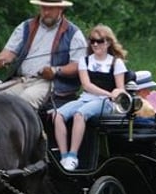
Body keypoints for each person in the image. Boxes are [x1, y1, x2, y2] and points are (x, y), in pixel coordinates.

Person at [0, 0, 87, 109]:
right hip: (21, 80)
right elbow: (9, 51)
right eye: (43, 8)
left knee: (23, 102)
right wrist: (2, 60)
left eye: (50, 9)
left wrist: (55, 70)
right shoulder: (26, 27)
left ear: (61, 9)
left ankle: (31, 129)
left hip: (49, 83)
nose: (46, 12)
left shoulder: (73, 33)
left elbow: (78, 65)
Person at [54, 25, 128, 170]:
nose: (95, 44)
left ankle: (73, 156)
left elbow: (120, 88)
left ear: (107, 43)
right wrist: (109, 92)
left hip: (106, 103)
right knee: (58, 115)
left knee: (80, 114)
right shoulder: (85, 61)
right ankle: (63, 156)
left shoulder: (116, 63)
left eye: (99, 41)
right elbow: (86, 85)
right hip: (87, 98)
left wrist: (114, 94)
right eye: (92, 41)